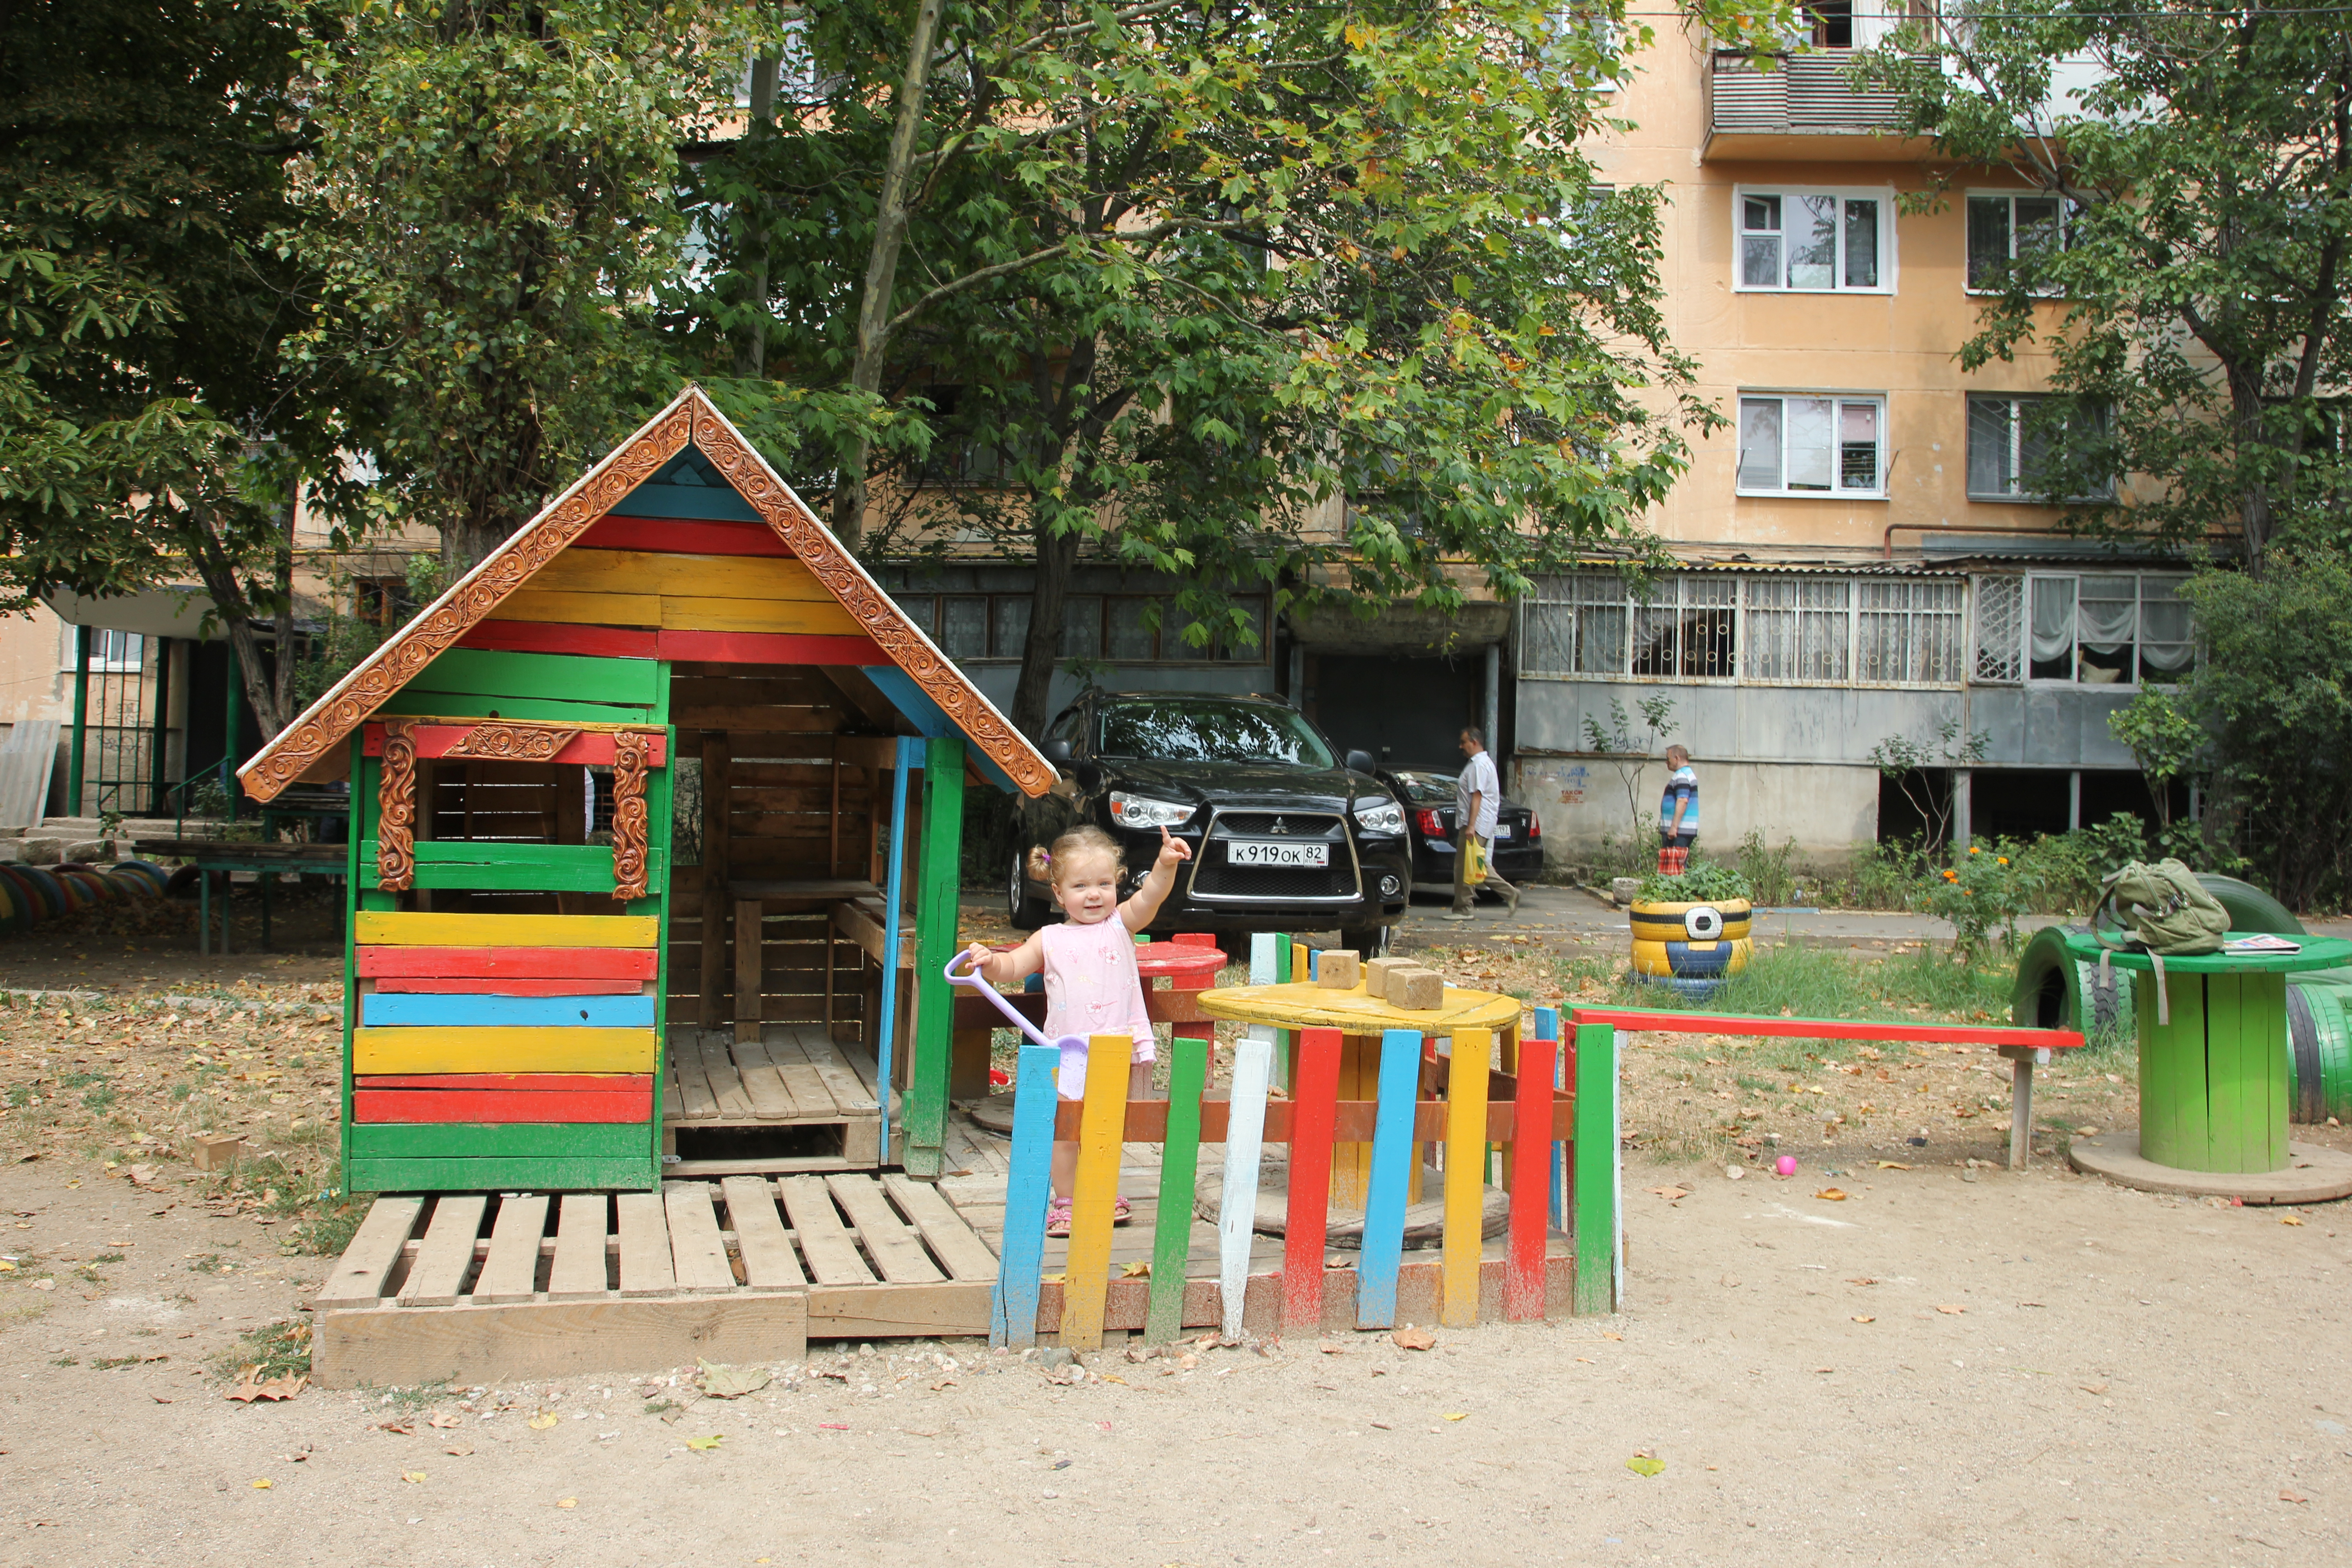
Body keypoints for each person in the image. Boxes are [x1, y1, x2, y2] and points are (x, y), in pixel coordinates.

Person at [962, 822, 1191, 1236]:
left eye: (1104, 884)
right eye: (1081, 886)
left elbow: (1152, 895)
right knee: (1065, 1128)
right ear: (1058, 893)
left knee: (1106, 1124)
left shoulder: (1121, 923)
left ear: (1117, 884)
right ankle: (1067, 1199)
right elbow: (1012, 966)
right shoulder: (1048, 938)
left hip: (1113, 1046)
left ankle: (1101, 1191)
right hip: (1067, 1051)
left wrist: (1165, 863)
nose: (1094, 895)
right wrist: (989, 962)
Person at [1446, 725, 1519, 921]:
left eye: (1464, 742)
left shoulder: (1479, 765)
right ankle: (1510, 894)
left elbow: (1476, 797)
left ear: (1474, 742)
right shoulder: (1481, 763)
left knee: (1465, 867)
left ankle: (1464, 908)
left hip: (1476, 823)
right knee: (1477, 865)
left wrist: (1471, 826)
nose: (1461, 746)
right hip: (1480, 822)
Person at [1659, 744, 1698, 852]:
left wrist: (1674, 827)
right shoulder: (1686, 774)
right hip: (1680, 831)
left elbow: (1682, 801)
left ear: (1676, 759)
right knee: (1675, 862)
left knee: (1674, 862)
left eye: (1668, 759)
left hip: (1678, 832)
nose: (1667, 762)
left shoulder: (1682, 776)